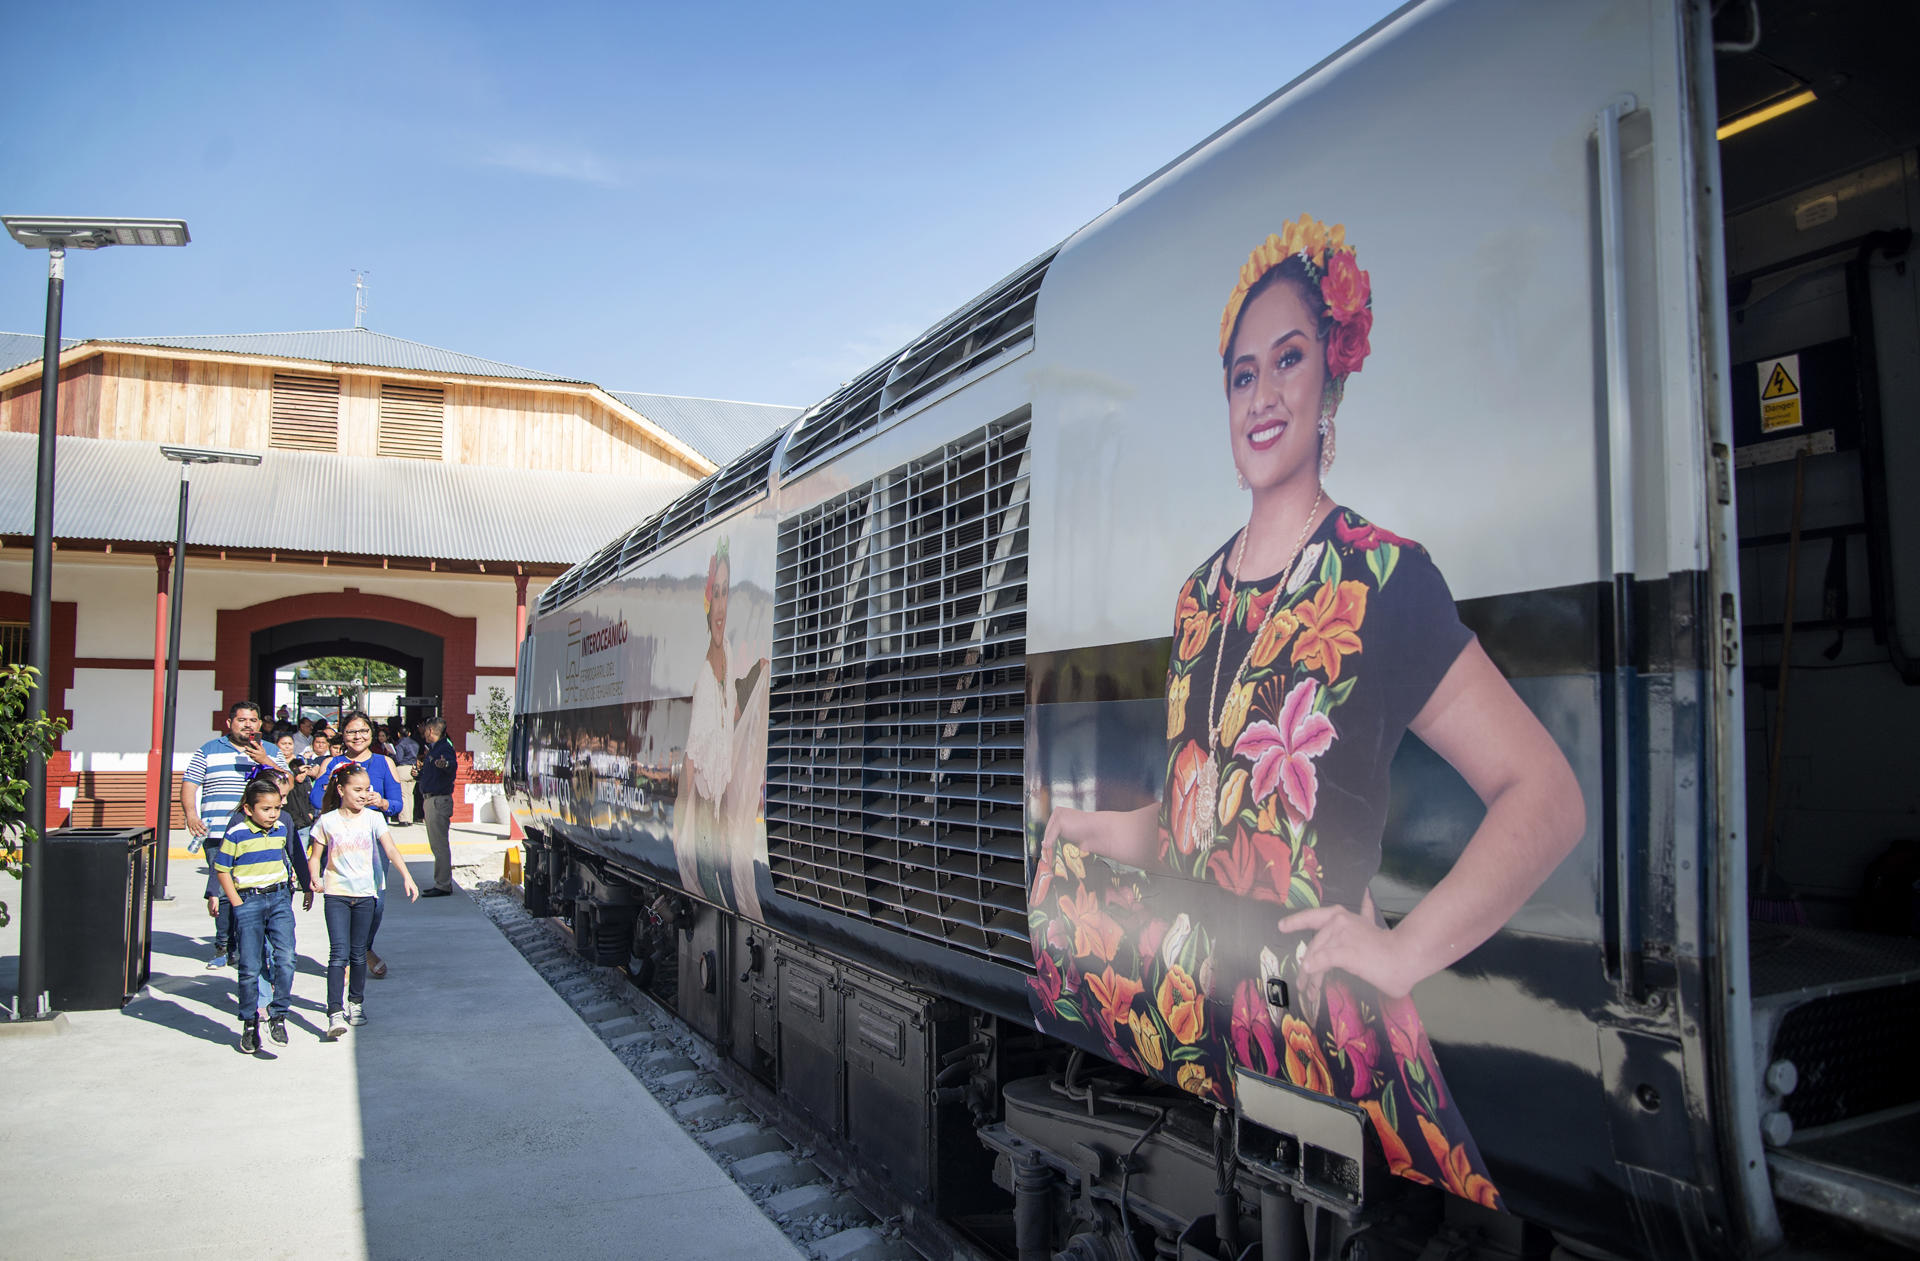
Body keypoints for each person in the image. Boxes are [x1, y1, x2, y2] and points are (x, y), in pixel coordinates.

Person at [1030, 217, 1585, 1208]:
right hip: (1202, 1018)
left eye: (1289, 361)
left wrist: (1405, 949)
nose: (1264, 393)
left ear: (1332, 383)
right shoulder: (1198, 597)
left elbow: (1542, 793)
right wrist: (1094, 827)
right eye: (1243, 375)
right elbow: (1192, 822)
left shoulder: (1384, 578)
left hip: (1324, 1034)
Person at [672, 539, 771, 921]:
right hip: (705, 823)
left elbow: (733, 714)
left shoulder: (727, 652)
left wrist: (757, 677)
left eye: (727, 592)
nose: (722, 606)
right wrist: (682, 838)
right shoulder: (700, 675)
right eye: (717, 593)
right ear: (707, 600)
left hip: (722, 820)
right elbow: (690, 765)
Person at [308, 763, 419, 1038]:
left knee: (358, 954)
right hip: (337, 894)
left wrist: (407, 876)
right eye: (357, 789)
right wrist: (314, 879)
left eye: (367, 789)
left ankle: (355, 1004)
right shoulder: (327, 821)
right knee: (338, 953)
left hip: (366, 894)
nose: (363, 794)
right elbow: (314, 856)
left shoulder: (373, 818)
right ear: (341, 789)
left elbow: (390, 849)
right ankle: (334, 1012)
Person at [183, 700, 286, 968]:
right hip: (217, 833)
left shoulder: (272, 750)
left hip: (261, 834)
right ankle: (223, 947)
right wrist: (192, 815)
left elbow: (287, 784)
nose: (248, 725)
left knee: (253, 890)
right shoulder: (208, 750)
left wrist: (265, 761)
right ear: (229, 723)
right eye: (242, 720)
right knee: (225, 891)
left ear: (260, 724)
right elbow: (190, 783)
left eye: (253, 720)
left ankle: (249, 946)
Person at [309, 711, 406, 976]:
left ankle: (362, 948)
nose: (358, 736)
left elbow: (397, 804)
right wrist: (332, 785)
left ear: (371, 733)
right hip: (341, 842)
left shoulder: (385, 762)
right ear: (343, 734)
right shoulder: (333, 763)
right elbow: (317, 800)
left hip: (373, 843)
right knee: (342, 899)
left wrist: (381, 802)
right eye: (351, 731)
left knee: (377, 903)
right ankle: (353, 953)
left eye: (363, 730)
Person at [214, 776, 302, 1052]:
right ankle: (250, 1021)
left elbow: (288, 857)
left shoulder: (279, 829)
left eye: (276, 808)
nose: (273, 814)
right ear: (249, 809)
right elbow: (222, 869)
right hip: (249, 901)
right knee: (250, 967)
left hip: (278, 900)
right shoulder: (236, 833)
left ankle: (279, 1015)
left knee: (286, 958)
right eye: (266, 809)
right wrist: (237, 903)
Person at [415, 716, 457, 897]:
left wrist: (444, 764)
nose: (424, 733)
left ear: (431, 731)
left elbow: (450, 765)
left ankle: (443, 884)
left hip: (438, 801)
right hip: (432, 799)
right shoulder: (433, 749)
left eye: (425, 730)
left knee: (439, 845)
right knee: (436, 844)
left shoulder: (444, 748)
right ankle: (442, 882)